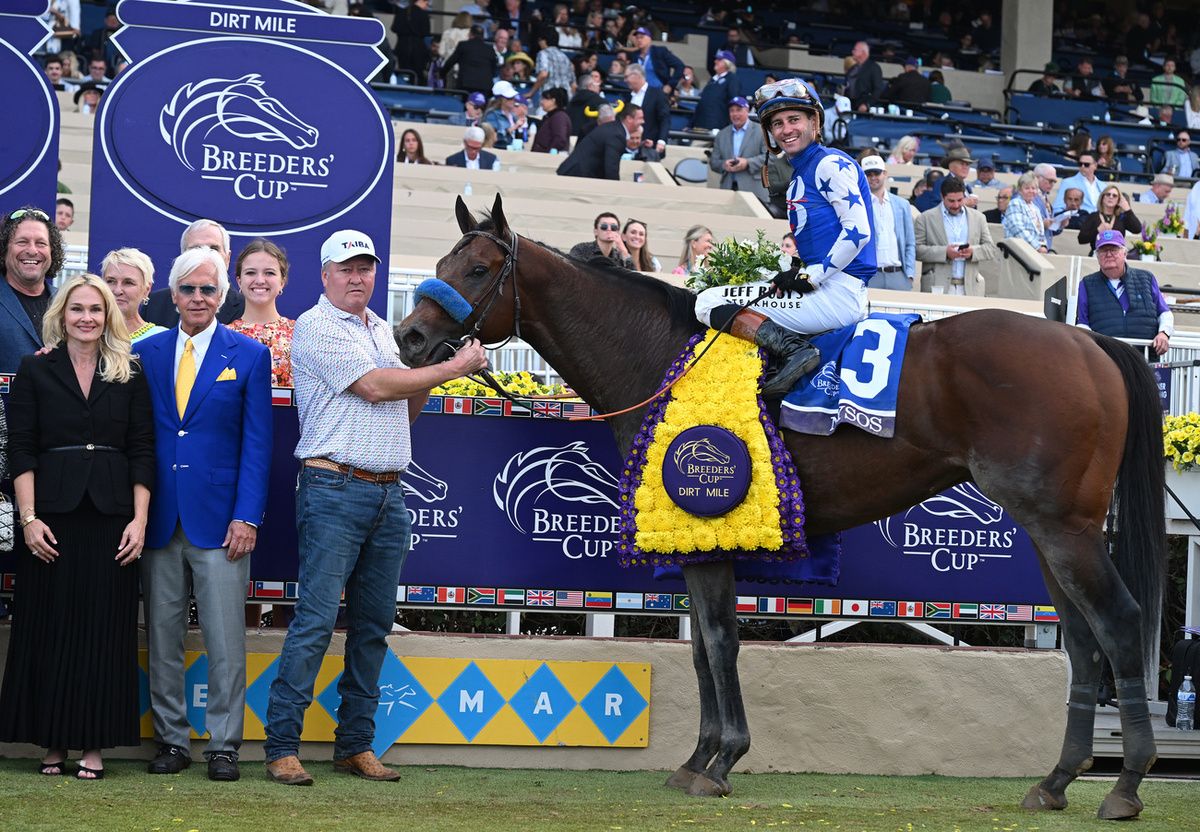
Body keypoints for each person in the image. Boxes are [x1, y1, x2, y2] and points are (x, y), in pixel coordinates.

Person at [262, 229, 487, 786]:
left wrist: (432, 368)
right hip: (333, 487)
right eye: (346, 268)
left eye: (365, 267)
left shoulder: (383, 329)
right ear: (325, 276)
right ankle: (281, 746)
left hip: (389, 490)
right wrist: (451, 370)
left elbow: (401, 410)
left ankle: (354, 745)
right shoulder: (314, 327)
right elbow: (372, 388)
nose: (358, 276)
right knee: (314, 622)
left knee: (373, 627)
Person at [0, 274, 154, 780]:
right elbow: (19, 448)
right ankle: (52, 742)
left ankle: (92, 744)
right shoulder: (34, 369)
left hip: (111, 518)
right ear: (60, 316)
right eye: (76, 309)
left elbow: (141, 451)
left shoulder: (130, 371)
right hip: (51, 518)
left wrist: (139, 520)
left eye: (95, 309)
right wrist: (29, 518)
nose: (86, 318)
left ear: (109, 315)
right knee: (49, 629)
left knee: (102, 633)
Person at [138, 247, 272, 782]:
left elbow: (258, 445)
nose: (198, 298)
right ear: (173, 296)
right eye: (189, 289)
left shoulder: (249, 354)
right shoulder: (145, 354)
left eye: (208, 289)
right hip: (159, 520)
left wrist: (248, 516)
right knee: (163, 639)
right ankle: (170, 741)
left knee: (225, 642)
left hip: (223, 524)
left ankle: (224, 746)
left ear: (223, 296)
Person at [694, 79, 876, 396]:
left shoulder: (829, 163)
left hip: (838, 294)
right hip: (830, 288)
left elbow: (858, 232)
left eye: (794, 119)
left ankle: (794, 351)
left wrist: (813, 273)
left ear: (814, 123)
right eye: (777, 124)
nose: (785, 129)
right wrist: (797, 269)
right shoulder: (798, 178)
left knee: (708, 302)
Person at [1075, 230, 1172, 358]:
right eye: (1103, 250)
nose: (1108, 254)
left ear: (1125, 253)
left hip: (1144, 360)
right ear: (1097, 256)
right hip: (1105, 359)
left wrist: (1164, 333)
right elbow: (1082, 323)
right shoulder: (1086, 284)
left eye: (1114, 249)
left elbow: (1164, 312)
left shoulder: (1146, 278)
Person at [144, 219, 245, 327]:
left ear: (227, 258)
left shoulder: (245, 307)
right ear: (182, 257)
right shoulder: (155, 304)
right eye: (196, 249)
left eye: (214, 249)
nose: (205, 255)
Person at [227, 240, 295, 388]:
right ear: (239, 281)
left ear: (282, 281)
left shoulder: (300, 334)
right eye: (250, 272)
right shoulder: (223, 336)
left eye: (269, 273)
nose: (259, 280)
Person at [1, 207, 61, 372]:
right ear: (4, 249)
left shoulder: (67, 302)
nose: (32, 250)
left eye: (41, 243)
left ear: (52, 251)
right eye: (22, 242)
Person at [914, 177, 998, 296]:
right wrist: (945, 252)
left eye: (960, 200)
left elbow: (990, 249)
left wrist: (972, 252)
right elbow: (916, 250)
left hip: (970, 288)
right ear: (942, 197)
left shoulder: (979, 218)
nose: (956, 204)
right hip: (937, 287)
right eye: (951, 201)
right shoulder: (925, 218)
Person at [862, 155, 915, 290]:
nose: (873, 177)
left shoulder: (902, 204)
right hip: (871, 274)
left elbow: (909, 242)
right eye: (868, 174)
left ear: (885, 174)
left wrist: (909, 274)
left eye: (877, 173)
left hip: (898, 273)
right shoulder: (860, 204)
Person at [556, 104, 643, 180]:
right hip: (575, 176)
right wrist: (617, 191)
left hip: (577, 174)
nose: (643, 121)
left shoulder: (614, 128)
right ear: (629, 119)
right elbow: (611, 169)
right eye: (640, 118)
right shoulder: (617, 134)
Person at [102, 247, 167, 344]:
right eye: (110, 281)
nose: (117, 290)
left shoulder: (162, 338)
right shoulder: (88, 332)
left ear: (146, 290)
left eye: (128, 282)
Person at [709, 96, 767, 202]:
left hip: (754, 190)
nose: (735, 114)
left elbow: (770, 158)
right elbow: (713, 162)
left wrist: (748, 162)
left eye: (739, 110)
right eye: (732, 111)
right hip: (728, 189)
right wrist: (724, 165)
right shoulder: (722, 135)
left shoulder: (762, 131)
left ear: (747, 110)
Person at [1078, 184, 1142, 254]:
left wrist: (1128, 210)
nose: (1111, 197)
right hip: (1098, 253)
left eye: (1114, 196)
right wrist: (1097, 231)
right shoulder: (1093, 216)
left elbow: (1137, 229)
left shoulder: (1122, 218)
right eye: (1108, 194)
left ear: (1118, 200)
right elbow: (1081, 239)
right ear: (1102, 197)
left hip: (1117, 255)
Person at [624, 64, 669, 159]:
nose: (625, 80)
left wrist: (661, 141)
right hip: (628, 149)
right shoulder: (627, 96)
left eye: (627, 77)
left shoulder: (657, 94)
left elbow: (665, 119)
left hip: (650, 148)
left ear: (636, 75)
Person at [440, 25, 495, 98]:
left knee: (466, 106)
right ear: (482, 36)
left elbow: (451, 62)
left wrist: (441, 74)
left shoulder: (463, 45)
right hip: (484, 86)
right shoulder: (489, 49)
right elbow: (493, 69)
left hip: (466, 86)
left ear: (470, 34)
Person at [691, 51, 740, 130]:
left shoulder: (732, 79)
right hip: (700, 124)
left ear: (727, 64)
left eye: (719, 60)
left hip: (717, 126)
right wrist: (690, 124)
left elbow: (733, 102)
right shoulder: (713, 80)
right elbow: (702, 103)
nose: (715, 61)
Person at [628, 26, 684, 94]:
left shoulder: (660, 52)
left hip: (658, 93)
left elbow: (680, 65)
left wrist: (670, 85)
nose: (639, 40)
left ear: (649, 39)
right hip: (639, 93)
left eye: (642, 37)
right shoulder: (634, 55)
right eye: (637, 38)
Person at [1002, 173, 1050, 253]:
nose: (1031, 191)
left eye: (1034, 188)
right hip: (1017, 252)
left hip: (1034, 252)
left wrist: (1044, 246)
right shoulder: (1015, 203)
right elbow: (1018, 229)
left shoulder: (1036, 208)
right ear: (1020, 190)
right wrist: (1037, 247)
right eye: (1027, 188)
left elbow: (1041, 233)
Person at [568, 212, 634, 267]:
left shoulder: (619, 257)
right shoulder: (581, 249)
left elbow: (634, 278)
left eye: (613, 227)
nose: (609, 229)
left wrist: (624, 251)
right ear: (596, 231)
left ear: (617, 232)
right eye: (604, 226)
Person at [391, 0, 430, 82]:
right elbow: (426, 32)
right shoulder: (423, 14)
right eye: (426, 3)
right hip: (418, 48)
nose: (427, 6)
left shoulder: (402, 12)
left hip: (402, 46)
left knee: (403, 71)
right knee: (417, 73)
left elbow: (394, 28)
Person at [529, 27, 574, 98]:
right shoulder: (565, 57)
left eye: (540, 40)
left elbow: (543, 74)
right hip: (566, 98)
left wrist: (531, 93)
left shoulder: (543, 53)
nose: (539, 43)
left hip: (549, 98)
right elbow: (573, 84)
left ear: (544, 40)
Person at [845, 41, 884, 113]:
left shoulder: (874, 68)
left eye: (855, 50)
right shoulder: (852, 69)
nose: (852, 51)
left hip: (864, 109)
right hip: (849, 107)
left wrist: (867, 104)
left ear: (863, 52)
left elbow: (878, 89)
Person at [531, 88, 571, 153]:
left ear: (553, 100)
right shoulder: (550, 116)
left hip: (548, 159)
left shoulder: (559, 117)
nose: (541, 102)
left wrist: (549, 152)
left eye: (544, 99)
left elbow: (560, 139)